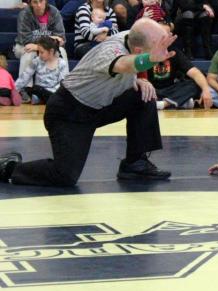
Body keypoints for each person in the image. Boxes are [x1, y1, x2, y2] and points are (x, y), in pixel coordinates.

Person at [0, 18, 176, 187]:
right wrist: (150, 59)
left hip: (99, 105)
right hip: (69, 112)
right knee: (65, 176)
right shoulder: (111, 50)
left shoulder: (135, 35)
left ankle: (135, 164)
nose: (161, 52)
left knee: (144, 95)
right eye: (156, 49)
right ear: (139, 51)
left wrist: (133, 81)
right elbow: (123, 64)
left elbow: (131, 62)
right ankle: (9, 168)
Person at [13, 0, 68, 87]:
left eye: (41, 1)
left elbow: (60, 37)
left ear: (45, 1)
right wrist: (50, 39)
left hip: (40, 46)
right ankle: (25, 88)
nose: (38, 5)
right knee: (28, 52)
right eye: (35, 2)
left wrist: (38, 46)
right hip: (23, 46)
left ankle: (63, 86)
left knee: (61, 51)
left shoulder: (54, 12)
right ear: (30, 3)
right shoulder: (24, 14)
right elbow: (26, 39)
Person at [15, 36, 69, 105]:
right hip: (39, 92)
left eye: (42, 52)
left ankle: (50, 99)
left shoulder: (61, 63)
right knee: (32, 89)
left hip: (53, 93)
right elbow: (25, 76)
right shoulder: (37, 61)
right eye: (38, 52)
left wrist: (53, 92)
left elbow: (63, 83)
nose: (39, 55)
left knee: (60, 95)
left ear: (51, 51)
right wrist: (14, 90)